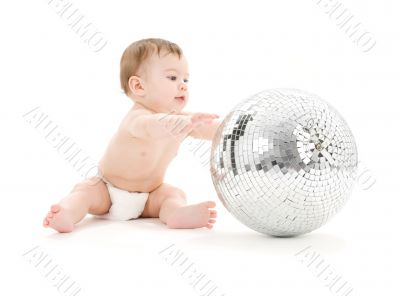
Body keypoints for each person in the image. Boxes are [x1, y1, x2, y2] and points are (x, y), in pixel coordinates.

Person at [43, 38, 221, 233]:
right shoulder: (137, 118)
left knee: (173, 194)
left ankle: (176, 213)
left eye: (185, 79)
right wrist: (184, 122)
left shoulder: (183, 120)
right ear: (139, 86)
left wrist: (237, 126)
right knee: (84, 192)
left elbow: (214, 129)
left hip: (150, 195)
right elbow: (152, 127)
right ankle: (66, 213)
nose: (183, 85)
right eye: (172, 78)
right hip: (107, 190)